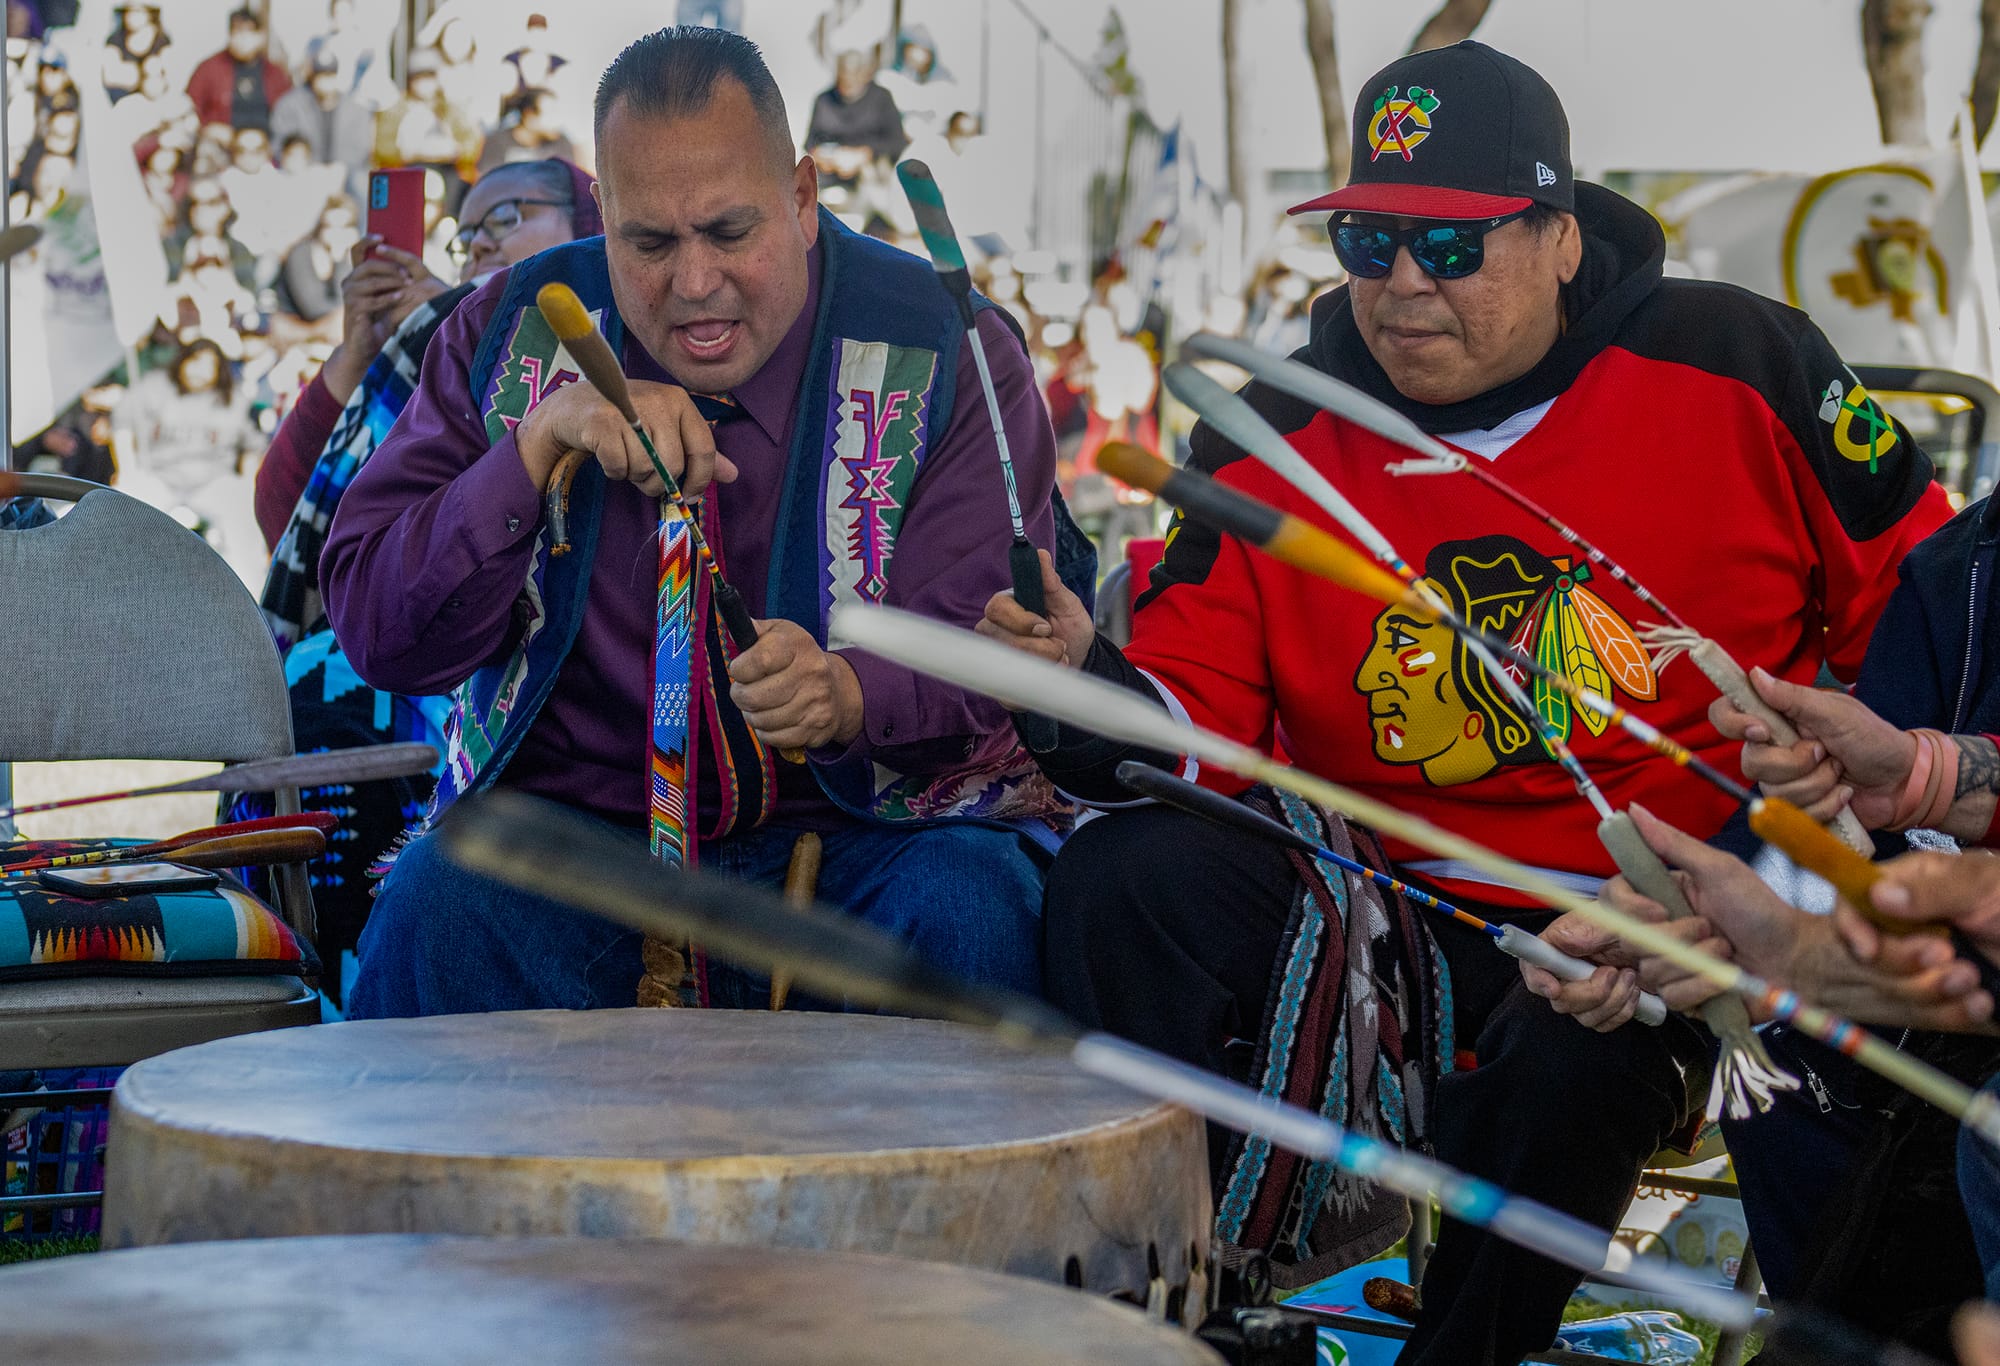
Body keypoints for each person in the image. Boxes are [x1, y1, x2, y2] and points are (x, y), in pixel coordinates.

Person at [977, 40, 1951, 1365]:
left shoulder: (1742, 362)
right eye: (1371, 241)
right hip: (1393, 923)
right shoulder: (1273, 430)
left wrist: (1783, 873)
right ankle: (1183, 1313)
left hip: (1684, 927)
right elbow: (1192, 737)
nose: (1400, 285)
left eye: (1451, 247)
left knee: (1570, 1051)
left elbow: (1936, 624)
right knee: (1125, 878)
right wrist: (1080, 686)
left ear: (1559, 235)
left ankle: (1463, 1350)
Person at [320, 26, 1085, 1020]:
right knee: (441, 909)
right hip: (583, 856)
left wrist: (850, 693)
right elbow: (379, 626)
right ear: (603, 215)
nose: (691, 283)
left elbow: (992, 637)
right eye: (648, 243)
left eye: (729, 233)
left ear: (803, 199)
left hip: (874, 848)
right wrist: (537, 447)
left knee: (972, 909)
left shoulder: (945, 346)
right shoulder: (507, 331)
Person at [249, 158, 602, 1004]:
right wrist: (357, 353)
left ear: (595, 219)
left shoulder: (527, 333)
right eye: (466, 228)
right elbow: (284, 518)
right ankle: (317, 1015)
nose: (480, 239)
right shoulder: (429, 335)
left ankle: (351, 1015)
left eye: (506, 215)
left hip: (481, 666)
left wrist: (457, 316)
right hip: (359, 642)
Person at [270, 52, 374, 201]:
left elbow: (361, 147)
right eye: (320, 76)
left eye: (329, 75)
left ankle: (365, 225)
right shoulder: (290, 104)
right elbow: (281, 143)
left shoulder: (354, 108)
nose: (325, 81)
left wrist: (340, 168)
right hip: (304, 170)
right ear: (312, 76)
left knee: (362, 184)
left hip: (344, 172)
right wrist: (312, 168)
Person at [185, 8, 289, 134]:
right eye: (238, 31)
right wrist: (207, 128)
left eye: (250, 31)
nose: (243, 38)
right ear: (230, 35)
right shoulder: (208, 69)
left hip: (265, 146)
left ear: (261, 36)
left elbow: (290, 113)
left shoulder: (275, 74)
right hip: (221, 144)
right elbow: (188, 109)